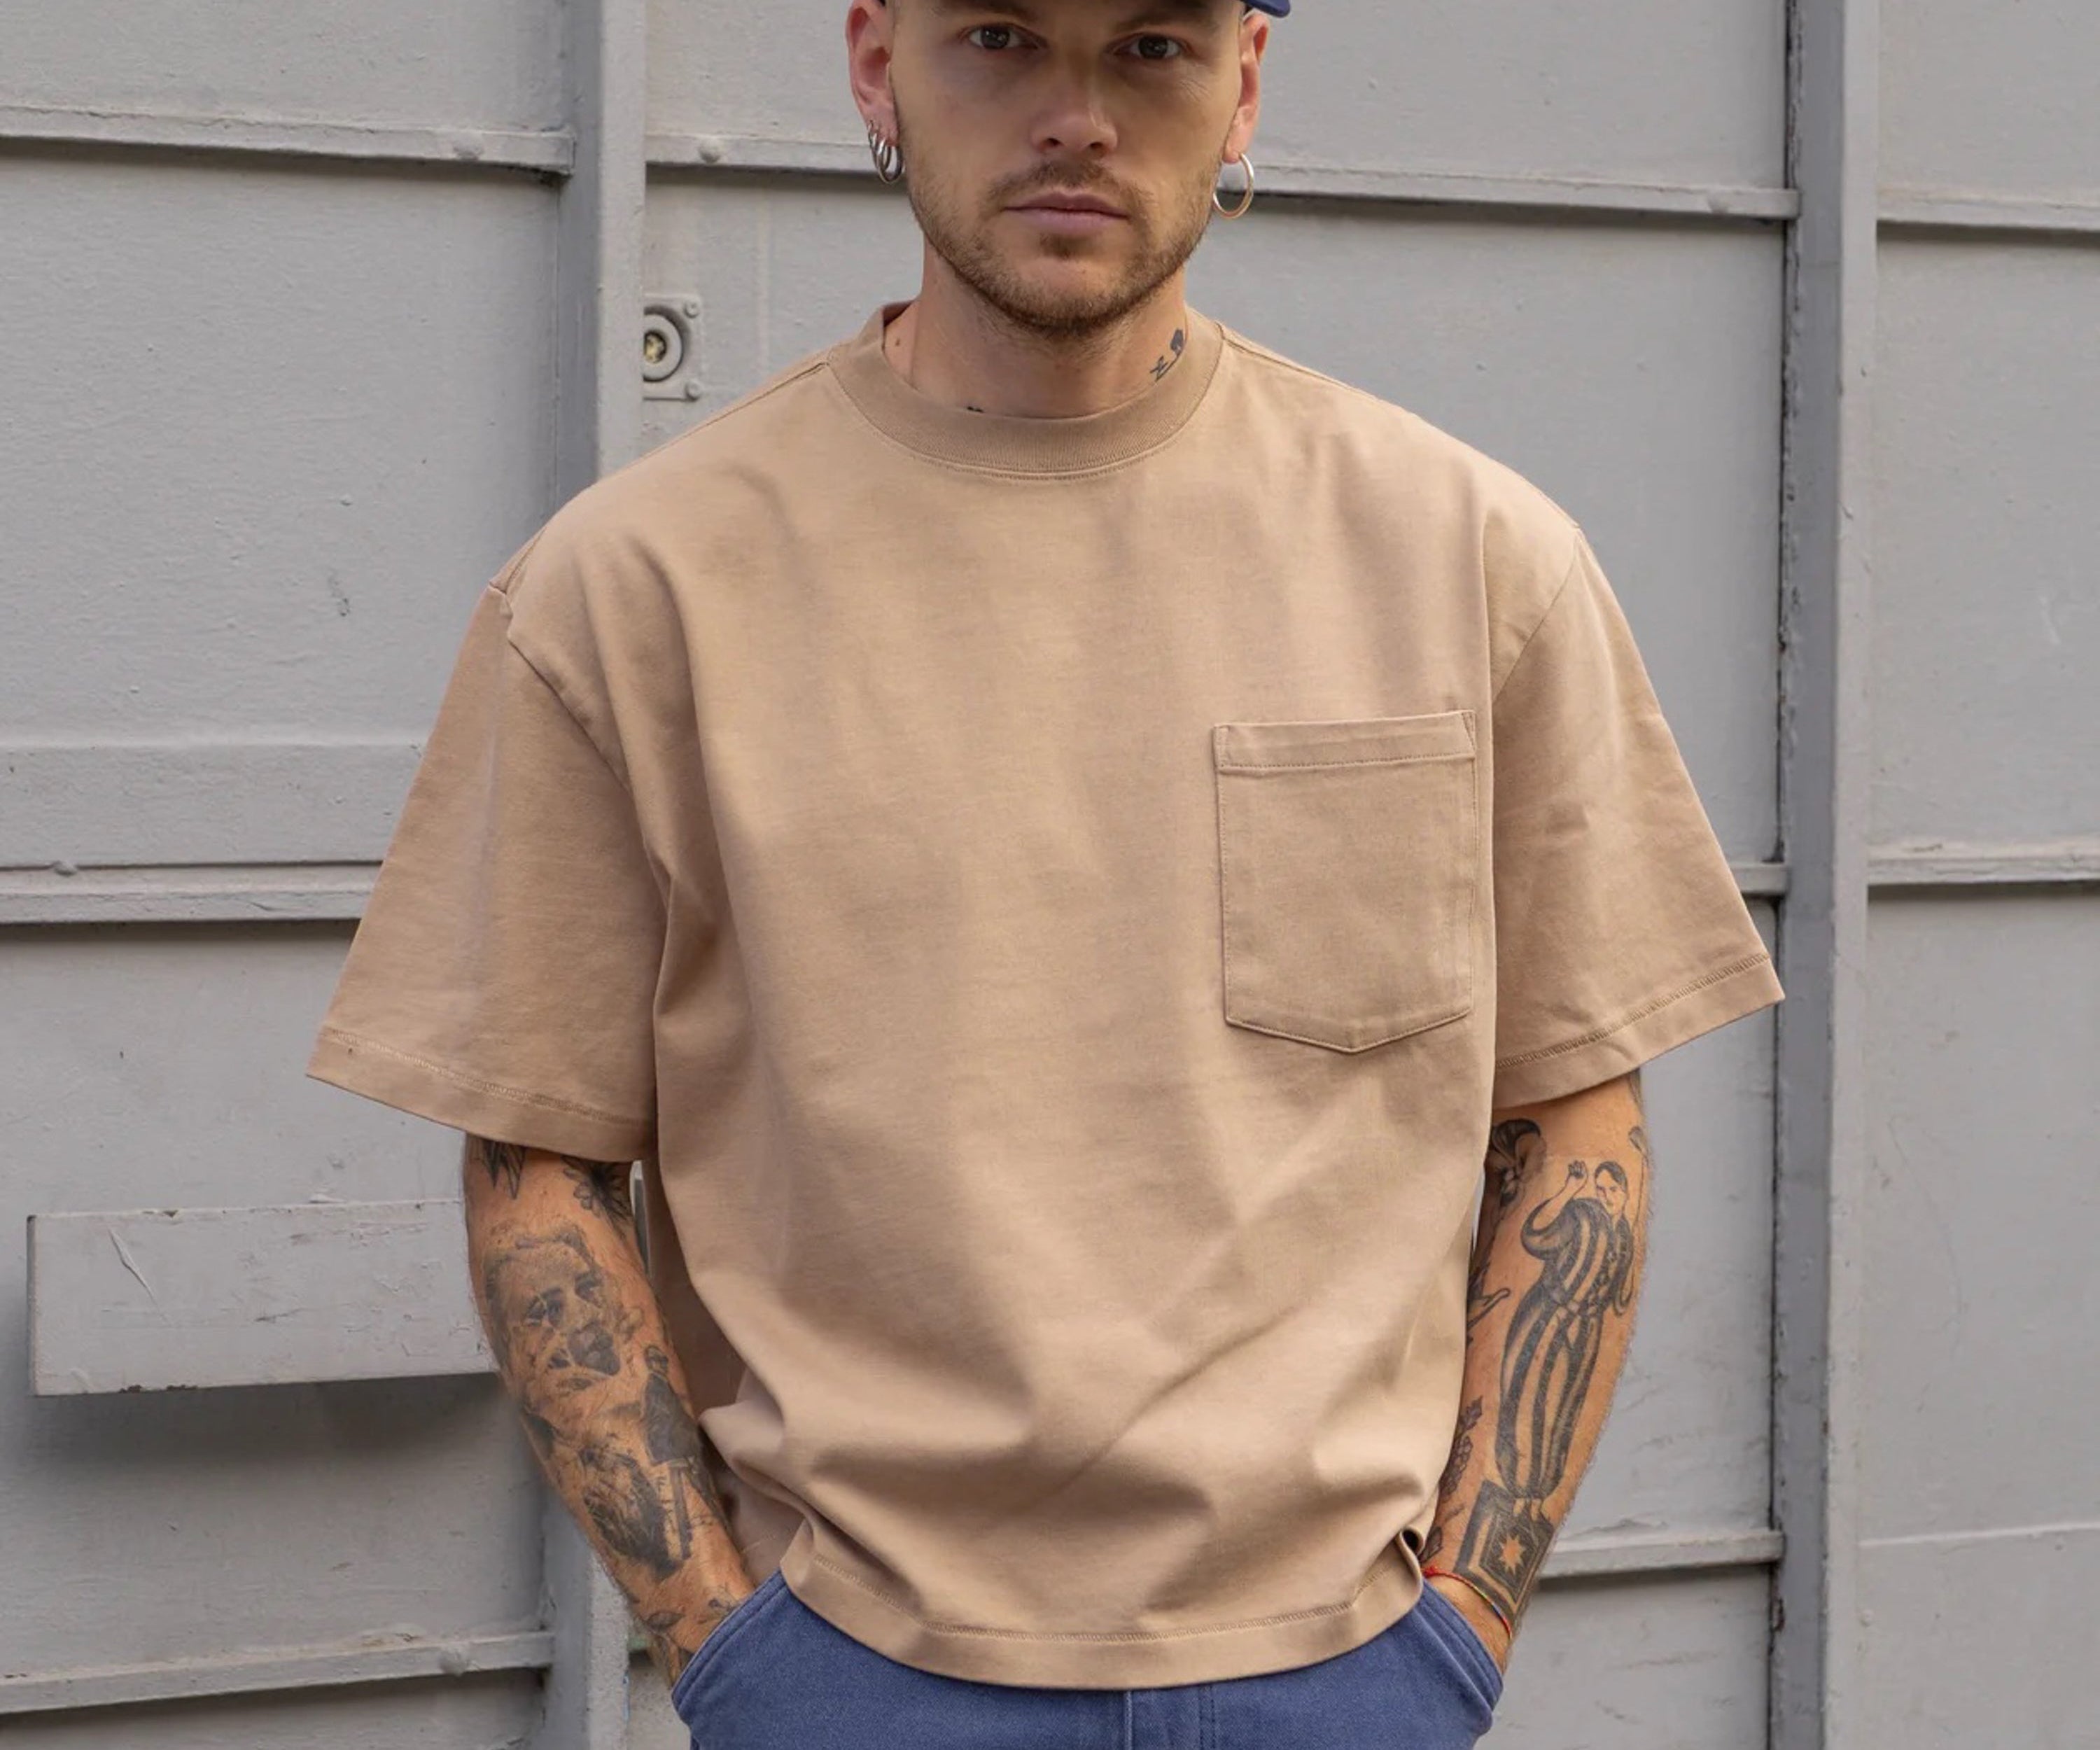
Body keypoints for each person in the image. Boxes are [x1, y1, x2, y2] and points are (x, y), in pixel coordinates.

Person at [306, 1, 1784, 1743]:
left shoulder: (1468, 556)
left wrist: (1455, 1626)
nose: (1076, 114)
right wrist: (739, 1657)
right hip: (858, 1672)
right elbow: (536, 1162)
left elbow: (1574, 1110)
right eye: (1002, 37)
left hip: (1351, 1672)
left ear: (1245, 85)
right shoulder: (637, 589)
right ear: (878, 62)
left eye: (1150, 46)